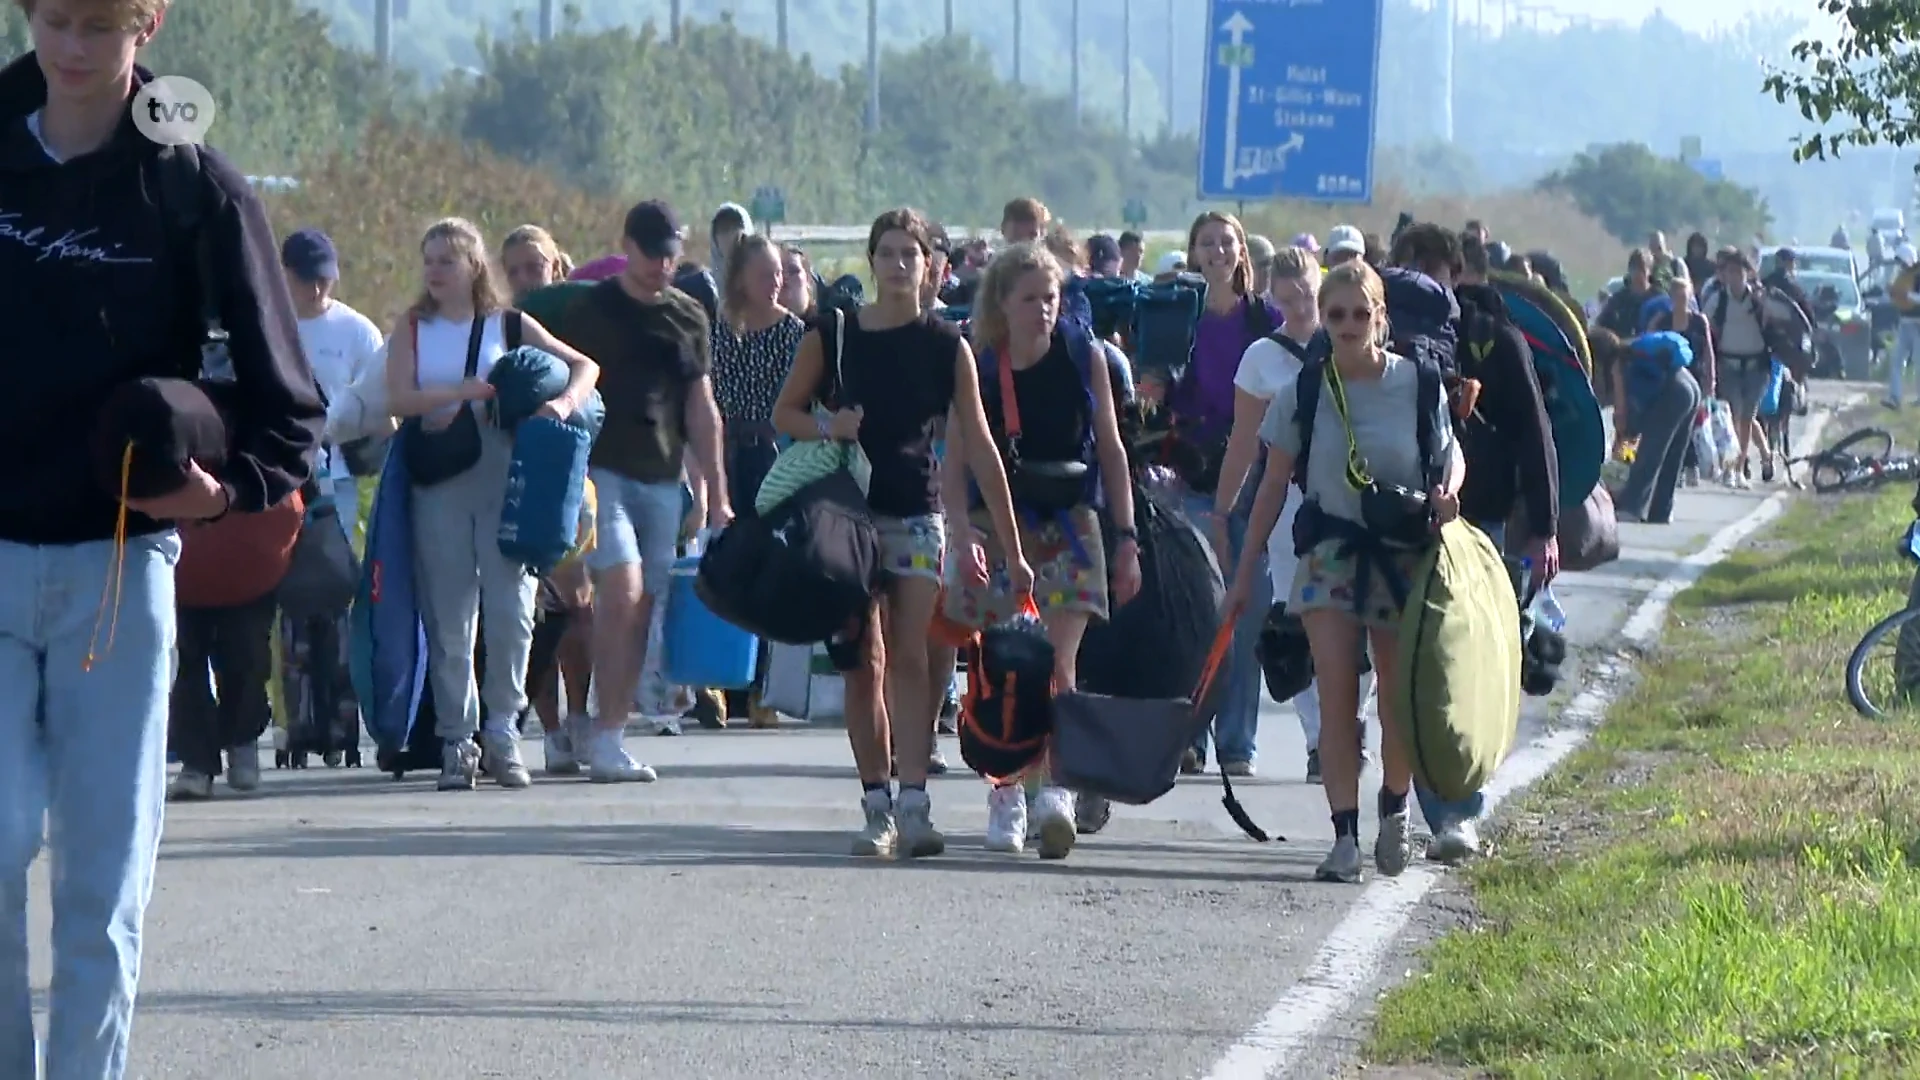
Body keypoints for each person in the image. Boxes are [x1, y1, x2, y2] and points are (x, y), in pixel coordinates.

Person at [0, 6, 327, 1074]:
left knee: (100, 886)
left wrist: (222, 490)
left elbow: (290, 409)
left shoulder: (195, 188)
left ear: (147, 24)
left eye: (101, 23)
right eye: (56, 18)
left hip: (117, 574)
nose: (75, 46)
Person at [771, 208, 1032, 858]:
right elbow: (788, 411)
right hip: (848, 515)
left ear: (929, 266)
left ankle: (915, 803)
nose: (896, 265)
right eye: (885, 253)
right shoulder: (834, 333)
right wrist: (833, 425)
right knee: (863, 662)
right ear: (871, 260)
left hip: (915, 513)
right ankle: (876, 806)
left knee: (912, 659)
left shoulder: (947, 344)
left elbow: (978, 445)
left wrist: (1013, 549)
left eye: (908, 254)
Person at [1227, 259, 1466, 883]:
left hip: (1400, 554)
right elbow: (1273, 482)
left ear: (1380, 318)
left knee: (1398, 698)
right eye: (1337, 315)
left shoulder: (1419, 384)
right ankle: (1342, 836)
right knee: (1336, 701)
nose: (1349, 325)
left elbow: (1449, 457)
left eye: (1362, 314)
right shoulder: (1303, 391)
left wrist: (1446, 494)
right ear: (1322, 320)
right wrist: (1244, 568)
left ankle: (1393, 808)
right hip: (1329, 555)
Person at [382, 217, 600, 790]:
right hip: (438, 480)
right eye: (428, 261)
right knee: (450, 616)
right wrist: (460, 393)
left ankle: (504, 730)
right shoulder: (411, 327)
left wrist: (565, 404)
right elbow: (397, 396)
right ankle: (459, 738)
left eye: (445, 261)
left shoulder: (506, 322)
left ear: (473, 267)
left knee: (512, 608)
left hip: (507, 478)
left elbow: (584, 365)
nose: (433, 272)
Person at [946, 242, 1141, 859]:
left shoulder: (1086, 358)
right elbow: (954, 460)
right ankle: (1006, 790)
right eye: (1029, 299)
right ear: (1002, 303)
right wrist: (958, 531)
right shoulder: (977, 365)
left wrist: (1127, 537)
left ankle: (1055, 790)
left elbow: (1111, 450)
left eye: (1050, 298)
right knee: (1006, 665)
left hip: (1070, 518)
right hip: (998, 524)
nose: (1042, 310)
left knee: (1059, 666)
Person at [539, 200, 729, 779]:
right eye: (650, 253)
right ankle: (593, 725)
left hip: (663, 475)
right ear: (628, 247)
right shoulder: (588, 309)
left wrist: (717, 493)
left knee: (643, 603)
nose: (660, 265)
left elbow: (701, 408)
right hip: (601, 472)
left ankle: (609, 734)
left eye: (669, 254)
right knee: (620, 592)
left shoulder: (688, 315)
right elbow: (549, 362)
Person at [1212, 246, 1364, 784]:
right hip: (1286, 503)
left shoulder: (1351, 341)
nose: (1299, 308)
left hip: (1347, 499)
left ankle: (1351, 722)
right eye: (1287, 299)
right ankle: (1320, 737)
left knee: (1353, 613)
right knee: (1291, 619)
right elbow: (1243, 442)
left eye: (1306, 295)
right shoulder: (1261, 357)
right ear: (1273, 300)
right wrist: (1224, 507)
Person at [1155, 211, 1280, 777]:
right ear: (1194, 252)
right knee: (1202, 607)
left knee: (1246, 610)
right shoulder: (1180, 317)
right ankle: (1193, 738)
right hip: (1196, 472)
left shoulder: (1264, 318)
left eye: (1225, 242)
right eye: (1206, 243)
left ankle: (1237, 741)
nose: (1217, 251)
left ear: (1240, 252)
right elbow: (1157, 386)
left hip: (1257, 474)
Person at [282, 228, 383, 542]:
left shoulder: (359, 332)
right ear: (282, 273)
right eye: (305, 279)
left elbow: (379, 405)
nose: (315, 290)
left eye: (323, 280)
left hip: (334, 476)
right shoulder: (263, 322)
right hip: (276, 473)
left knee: (334, 568)